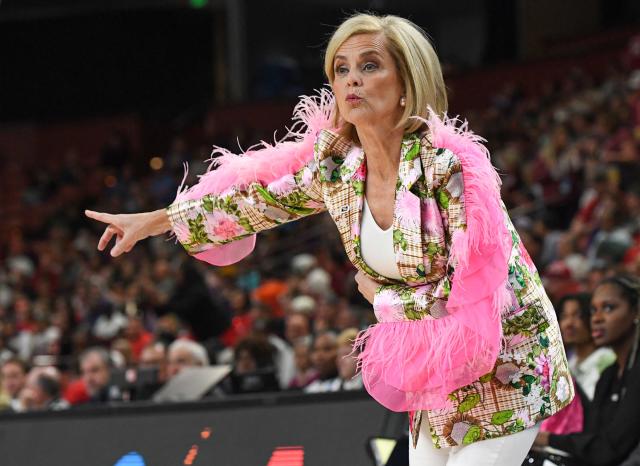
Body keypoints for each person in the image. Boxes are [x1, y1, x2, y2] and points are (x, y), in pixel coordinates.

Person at [85, 13, 573, 465]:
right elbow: (249, 204)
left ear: (407, 83)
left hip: (506, 360)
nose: (351, 80)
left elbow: (478, 295)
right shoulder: (339, 168)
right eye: (340, 70)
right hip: (434, 367)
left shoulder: (451, 168)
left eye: (369, 65)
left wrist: (381, 299)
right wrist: (154, 220)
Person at [533, 275, 640, 466]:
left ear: (636, 311)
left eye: (609, 308)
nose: (597, 318)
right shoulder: (608, 375)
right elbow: (593, 439)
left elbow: (609, 449)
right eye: (593, 310)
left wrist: (546, 438)